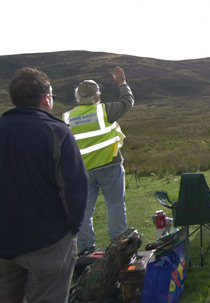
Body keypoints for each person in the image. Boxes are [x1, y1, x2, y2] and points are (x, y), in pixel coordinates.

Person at [0, 67, 88, 302]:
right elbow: (74, 190)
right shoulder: (57, 132)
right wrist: (72, 228)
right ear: (46, 98)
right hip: (49, 241)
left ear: (12, 99)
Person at [62, 66, 134, 254]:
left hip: (83, 171)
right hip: (110, 165)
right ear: (96, 97)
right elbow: (128, 102)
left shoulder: (67, 117)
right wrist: (122, 83)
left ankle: (85, 249)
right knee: (115, 205)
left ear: (78, 97)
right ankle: (118, 246)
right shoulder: (104, 111)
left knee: (85, 211)